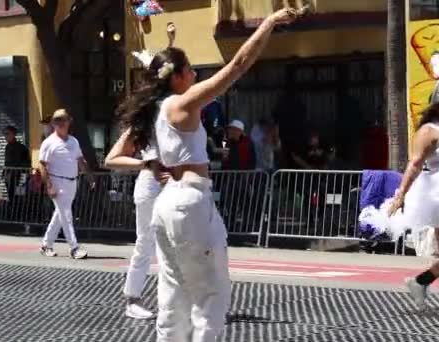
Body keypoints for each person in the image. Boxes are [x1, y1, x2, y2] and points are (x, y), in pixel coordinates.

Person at [117, 8, 298, 341]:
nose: (194, 75)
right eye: (190, 70)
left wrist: (151, 165)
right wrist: (269, 22)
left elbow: (119, 156)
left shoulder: (152, 112)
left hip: (168, 202)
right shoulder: (180, 104)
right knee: (210, 295)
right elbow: (238, 65)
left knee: (173, 297)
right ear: (178, 76)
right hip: (189, 200)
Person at [105, 126, 170, 320]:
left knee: (175, 246)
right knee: (147, 243)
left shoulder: (182, 115)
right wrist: (147, 164)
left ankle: (174, 302)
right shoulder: (143, 123)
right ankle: (133, 299)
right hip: (151, 188)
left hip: (175, 184)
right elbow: (111, 159)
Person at [389, 102, 439, 310]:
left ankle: (420, 282)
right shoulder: (430, 131)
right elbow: (415, 163)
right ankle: (420, 282)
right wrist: (401, 195)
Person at [39, 109, 94, 260]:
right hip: (58, 181)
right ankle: (74, 247)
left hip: (72, 181)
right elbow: (43, 165)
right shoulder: (49, 143)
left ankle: (46, 245)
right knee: (66, 215)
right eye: (58, 120)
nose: (62, 123)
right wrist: (49, 185)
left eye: (64, 119)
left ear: (69, 121)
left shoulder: (73, 141)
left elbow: (80, 160)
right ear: (54, 124)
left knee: (60, 215)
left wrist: (89, 177)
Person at [3, 125, 31, 204]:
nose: (5, 136)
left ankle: (19, 213)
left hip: (20, 177)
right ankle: (13, 212)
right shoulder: (7, 147)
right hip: (9, 177)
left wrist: (24, 177)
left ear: (13, 134)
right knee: (11, 196)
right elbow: (7, 162)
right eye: (4, 134)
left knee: (20, 196)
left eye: (7, 134)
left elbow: (27, 163)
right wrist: (4, 173)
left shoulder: (21, 147)